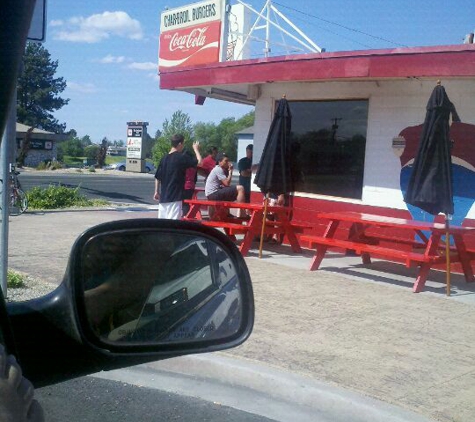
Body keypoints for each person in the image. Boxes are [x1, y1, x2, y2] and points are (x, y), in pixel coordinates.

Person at [154, 134, 202, 219]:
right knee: (173, 226)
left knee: (162, 225)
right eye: (183, 144)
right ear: (180, 144)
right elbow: (199, 162)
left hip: (163, 198)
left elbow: (158, 177)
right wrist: (196, 150)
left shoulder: (164, 158)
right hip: (175, 198)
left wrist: (156, 191)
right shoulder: (181, 158)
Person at [205, 152, 246, 218]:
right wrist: (230, 172)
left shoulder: (218, 169)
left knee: (230, 191)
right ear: (220, 162)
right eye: (226, 161)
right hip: (213, 194)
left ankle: (227, 213)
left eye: (228, 161)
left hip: (211, 194)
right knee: (240, 188)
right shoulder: (218, 169)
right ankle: (242, 213)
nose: (228, 163)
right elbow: (227, 183)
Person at [182, 149, 198, 217]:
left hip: (183, 186)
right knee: (187, 203)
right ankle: (187, 216)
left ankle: (184, 216)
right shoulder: (194, 167)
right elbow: (195, 178)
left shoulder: (183, 166)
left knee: (183, 203)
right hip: (191, 186)